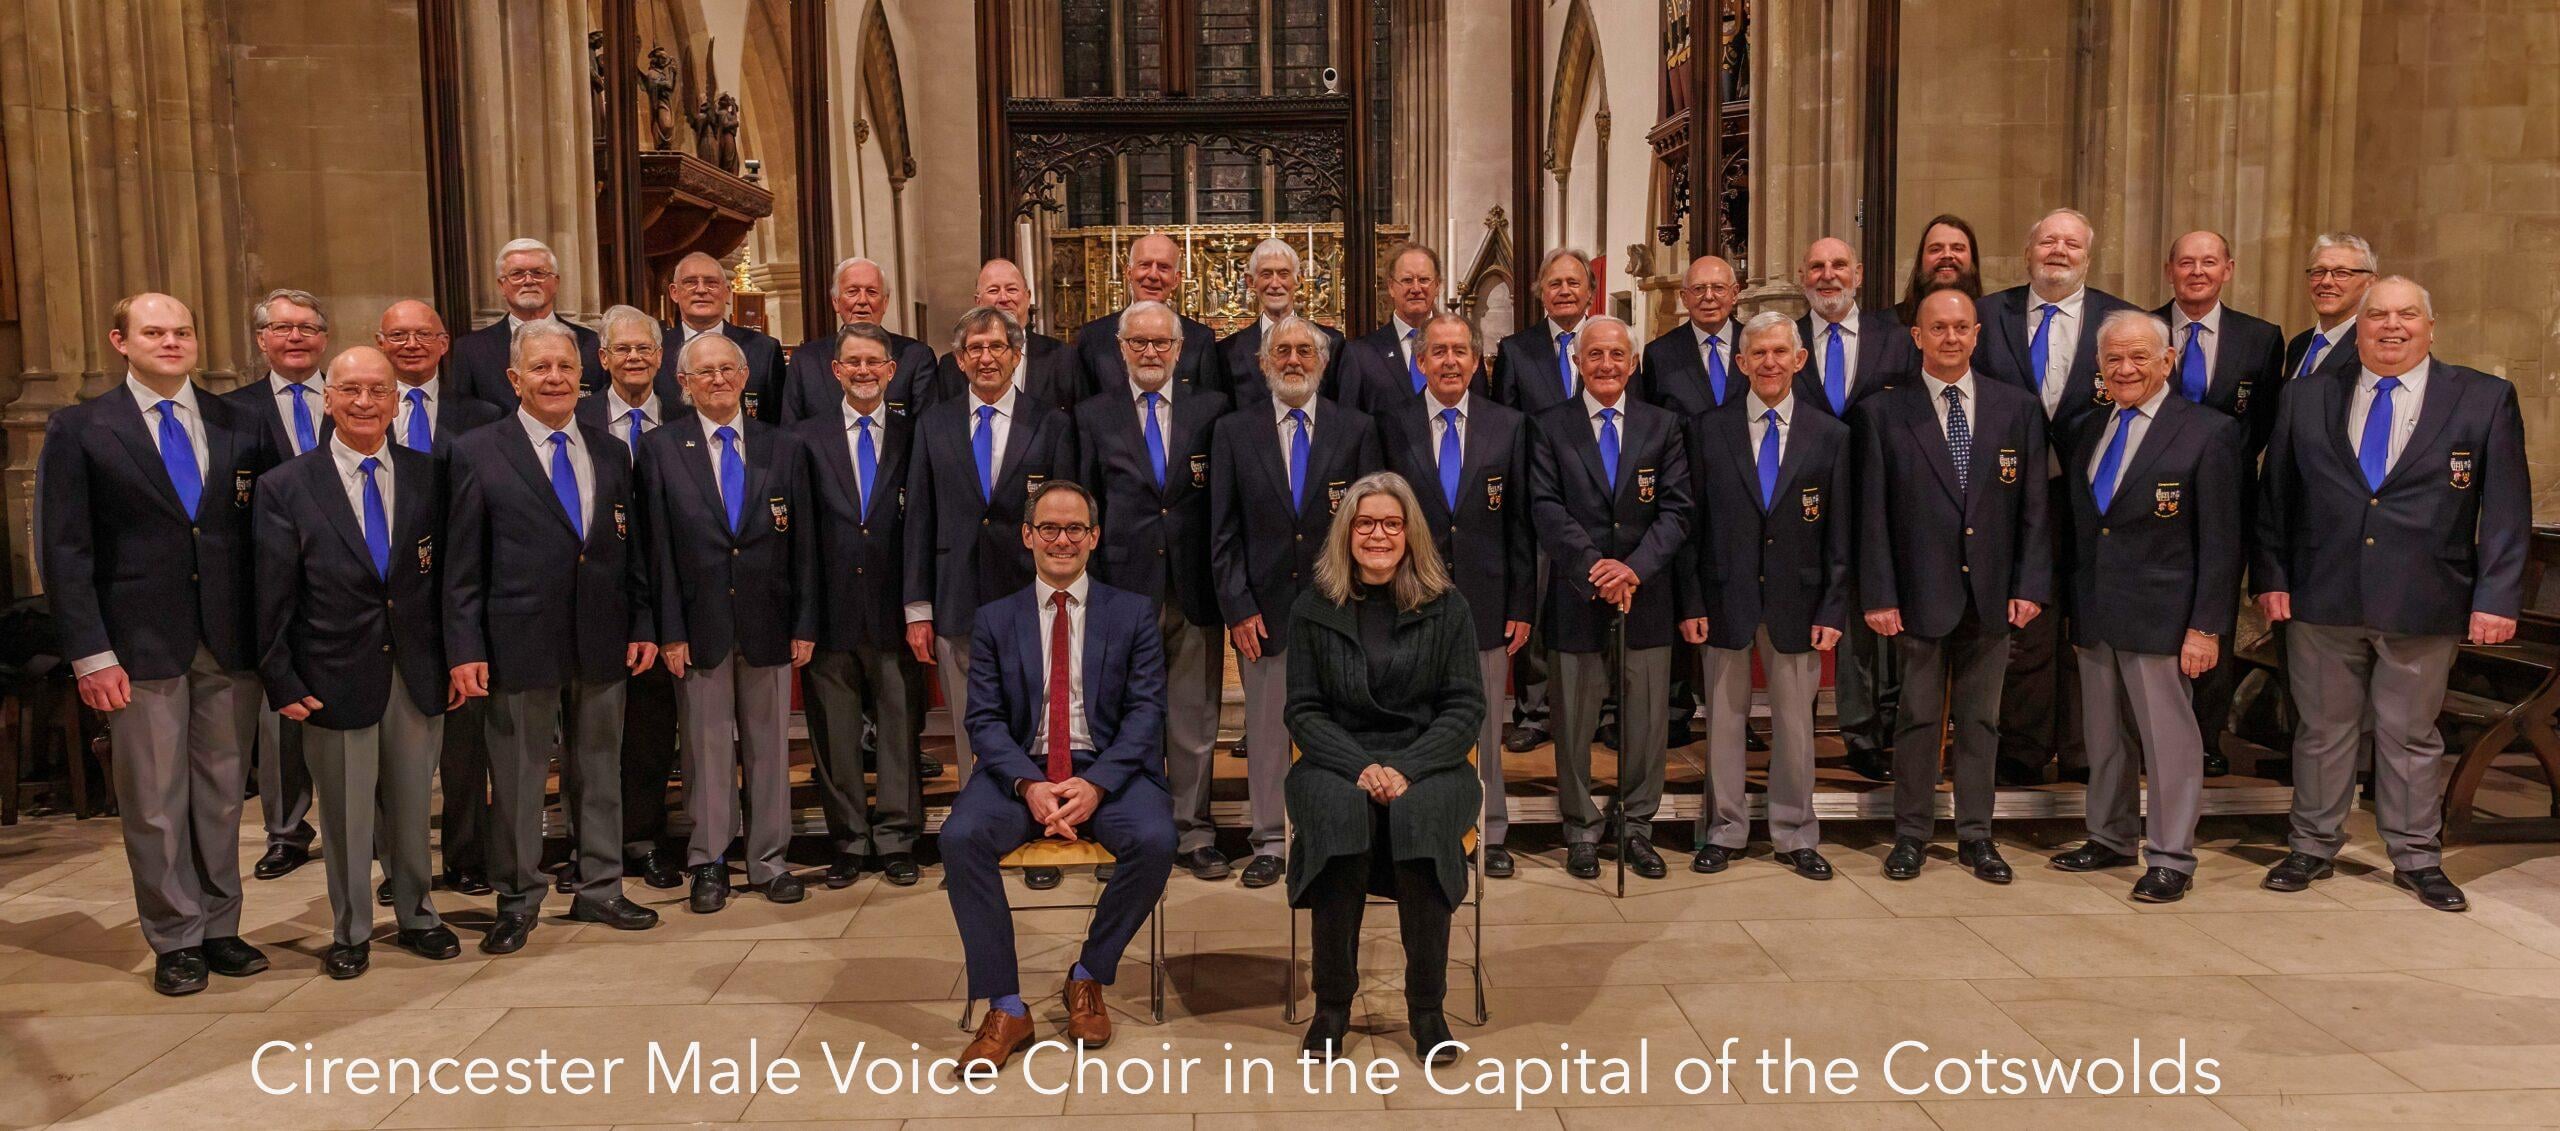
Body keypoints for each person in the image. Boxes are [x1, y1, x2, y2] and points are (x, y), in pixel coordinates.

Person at [2254, 276, 2529, 912]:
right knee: (2322, 731)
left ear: (2431, 327)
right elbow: (2275, 500)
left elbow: (2507, 507)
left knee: (2410, 734)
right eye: (2378, 315)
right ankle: (2312, 846)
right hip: (2322, 594)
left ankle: (2416, 857)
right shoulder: (2306, 396)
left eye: (2407, 314)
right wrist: (2271, 577)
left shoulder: (2482, 397)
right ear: (2359, 327)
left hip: (2425, 597)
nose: (2392, 326)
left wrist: (2497, 597)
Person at [40, 292, 278, 995]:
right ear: (121, 341)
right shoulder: (83, 427)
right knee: (152, 801)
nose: (171, 342)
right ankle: (176, 936)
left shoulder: (240, 422)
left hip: (228, 639)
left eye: (182, 331)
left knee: (222, 796)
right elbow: (65, 550)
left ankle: (220, 925)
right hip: (136, 644)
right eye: (154, 332)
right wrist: (90, 652)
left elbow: (263, 534)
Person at [444, 319, 662, 953]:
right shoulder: (477, 451)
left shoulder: (611, 451)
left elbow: (628, 548)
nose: (555, 378)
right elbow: (461, 565)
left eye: (565, 367)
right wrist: (466, 646)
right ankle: (518, 897)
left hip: (602, 635)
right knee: (518, 778)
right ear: (515, 379)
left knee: (599, 769)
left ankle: (600, 887)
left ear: (583, 375)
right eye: (540, 368)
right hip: (517, 640)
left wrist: (642, 621)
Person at [946, 481, 1172, 1074]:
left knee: (1156, 840)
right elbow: (984, 719)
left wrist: (1097, 784)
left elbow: (1146, 712)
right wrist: (1030, 785)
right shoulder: (995, 619)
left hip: (1109, 769)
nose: (1062, 540)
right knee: (960, 837)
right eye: (1049, 528)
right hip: (1023, 771)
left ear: (1094, 537)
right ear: (1028, 536)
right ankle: (1006, 1006)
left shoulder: (1133, 612)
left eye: (1075, 529)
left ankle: (1089, 974)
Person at [252, 346, 461, 977]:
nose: (364, 402)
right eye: (350, 390)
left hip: (416, 671)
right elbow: (271, 593)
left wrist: (457, 659)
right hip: (331, 672)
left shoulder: (431, 475)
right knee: (344, 815)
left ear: (397, 402)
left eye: (378, 390)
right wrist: (281, 676)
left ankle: (419, 914)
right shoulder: (286, 485)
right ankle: (351, 930)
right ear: (328, 399)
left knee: (412, 805)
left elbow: (450, 580)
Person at [1285, 471, 1483, 1067]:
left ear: (1409, 532)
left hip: (1430, 761)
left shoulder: (1448, 606)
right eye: (1365, 523)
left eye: (1391, 524)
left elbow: (1464, 707)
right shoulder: (1313, 607)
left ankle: (1427, 1008)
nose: (1378, 535)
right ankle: (1331, 1006)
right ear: (1346, 533)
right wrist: (1362, 766)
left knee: (1420, 820)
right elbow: (1303, 710)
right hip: (1335, 761)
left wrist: (1407, 767)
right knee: (1339, 819)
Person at [1858, 288, 2050, 884]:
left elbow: (2034, 509)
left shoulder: (2016, 408)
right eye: (1938, 327)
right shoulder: (1883, 412)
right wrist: (1879, 593)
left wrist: (2029, 584)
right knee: (1917, 718)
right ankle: (1911, 835)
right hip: (1918, 593)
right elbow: (1872, 515)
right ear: (1917, 336)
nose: (1951, 337)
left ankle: (1976, 836)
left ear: (1976, 334)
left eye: (1961, 327)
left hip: (1991, 593)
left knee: (1981, 722)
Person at [2050, 312, 2243, 903]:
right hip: (2096, 611)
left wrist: (2206, 627)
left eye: (2139, 357)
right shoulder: (2087, 428)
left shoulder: (2208, 432)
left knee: (2169, 744)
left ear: (2168, 361)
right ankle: (2109, 836)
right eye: (2113, 359)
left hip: (2165, 617)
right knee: (2104, 738)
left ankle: (2170, 856)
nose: (2125, 369)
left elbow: (2222, 541)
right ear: (2098, 367)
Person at [641, 332, 818, 912]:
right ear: (683, 384)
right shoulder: (661, 448)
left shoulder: (783, 446)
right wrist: (670, 630)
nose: (717, 379)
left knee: (769, 748)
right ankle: (709, 861)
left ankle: (769, 860)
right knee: (706, 747)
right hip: (699, 624)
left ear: (745, 378)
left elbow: (805, 545)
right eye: (704, 372)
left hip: (771, 619)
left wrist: (805, 622)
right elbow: (657, 550)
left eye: (727, 370)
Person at [1675, 312, 1851, 880]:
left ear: (1800, 360)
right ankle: (1724, 830)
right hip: (1724, 597)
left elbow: (1841, 533)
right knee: (1723, 723)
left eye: (1780, 352)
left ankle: (1795, 832)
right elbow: (1691, 527)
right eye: (1759, 353)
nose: (1769, 362)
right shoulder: (1708, 430)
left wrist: (1833, 606)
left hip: (1800, 601)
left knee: (1795, 726)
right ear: (1741, 362)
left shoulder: (1830, 434)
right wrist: (1692, 601)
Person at [1211, 316, 1383, 889]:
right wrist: (1238, 607)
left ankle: (1333, 835)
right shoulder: (1234, 431)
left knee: (1341, 729)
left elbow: (1373, 525)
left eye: (1304, 351)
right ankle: (1269, 840)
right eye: (1281, 351)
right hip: (1264, 612)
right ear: (1263, 363)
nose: (1292, 360)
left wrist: (1365, 601)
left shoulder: (1356, 429)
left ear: (1322, 362)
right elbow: (1223, 531)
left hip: (1341, 608)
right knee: (1265, 733)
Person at [1973, 208, 2136, 786]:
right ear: (2028, 252)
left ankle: (2083, 748)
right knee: (2025, 623)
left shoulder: (2123, 320)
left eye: (2071, 244)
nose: (2058, 251)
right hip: (2007, 498)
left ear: (2088, 257)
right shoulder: (1987, 315)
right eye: (2048, 241)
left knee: (2088, 621)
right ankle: (2022, 747)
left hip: (2096, 497)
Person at [1075, 300, 1235, 881]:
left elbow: (1224, 502)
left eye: (1161, 343)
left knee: (1193, 722)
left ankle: (1193, 832)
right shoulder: (1093, 415)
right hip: (1120, 590)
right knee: (1124, 721)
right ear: (1121, 349)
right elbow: (1084, 505)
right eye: (1138, 342)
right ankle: (1131, 831)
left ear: (1179, 349)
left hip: (1193, 587)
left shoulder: (1212, 410)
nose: (1150, 352)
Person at [1526, 314, 1691, 880]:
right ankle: (1580, 827)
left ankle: (1637, 825)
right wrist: (1596, 568)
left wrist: (1634, 569)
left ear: (1633, 361)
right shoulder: (1549, 426)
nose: (1606, 364)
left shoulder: (1663, 425)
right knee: (1573, 721)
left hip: (1645, 596)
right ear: (1577, 362)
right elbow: (1545, 507)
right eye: (1594, 354)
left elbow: (1677, 509)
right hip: (1577, 595)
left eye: (1617, 354)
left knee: (1646, 722)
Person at [1373, 314, 1532, 879]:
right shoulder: (1389, 424)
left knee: (1483, 722)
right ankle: (1424, 828)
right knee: (1416, 723)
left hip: (1486, 599)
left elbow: (1520, 524)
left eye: (1460, 351)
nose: (1449, 361)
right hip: (1409, 599)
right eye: (1438, 351)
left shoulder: (1508, 425)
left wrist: (1521, 604)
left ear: (1476, 361)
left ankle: (1489, 829)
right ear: (1420, 362)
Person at [904, 307, 1079, 804]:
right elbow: (919, 518)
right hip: (956, 595)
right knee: (968, 722)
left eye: (997, 347)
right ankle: (978, 816)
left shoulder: (1051, 423)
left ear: (1016, 355)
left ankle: (1036, 815)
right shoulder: (933, 424)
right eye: (975, 349)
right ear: (959, 360)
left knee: (1034, 719)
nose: (986, 358)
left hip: (1031, 594)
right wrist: (918, 607)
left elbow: (1068, 520)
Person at [794, 325, 929, 888]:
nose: (864, 371)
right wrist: (802, 618)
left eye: (874, 361)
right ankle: (849, 840)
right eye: (853, 362)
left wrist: (919, 606)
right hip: (829, 611)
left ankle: (897, 838)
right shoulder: (805, 437)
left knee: (899, 729)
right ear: (836, 370)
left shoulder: (915, 434)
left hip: (895, 609)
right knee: (835, 734)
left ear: (891, 370)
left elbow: (922, 525)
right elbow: (799, 534)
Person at [377, 300, 501, 897]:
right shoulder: (360, 411)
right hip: (386, 594)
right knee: (390, 745)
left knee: (465, 739)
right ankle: (399, 866)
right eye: (398, 335)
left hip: (464, 588)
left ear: (445, 343)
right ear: (380, 343)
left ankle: (467, 855)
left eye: (423, 335)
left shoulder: (481, 415)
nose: (411, 345)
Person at [2153, 230, 2288, 777]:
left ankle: (2206, 739)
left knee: (2215, 617)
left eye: (2209, 262)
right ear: (2169, 270)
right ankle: (2152, 734)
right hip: (2151, 498)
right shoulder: (2141, 326)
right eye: (2186, 262)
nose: (2197, 272)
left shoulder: (2261, 338)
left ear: (2228, 269)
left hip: (2227, 498)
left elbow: (2266, 421)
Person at [578, 305, 692, 891]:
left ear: (661, 356)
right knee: (588, 735)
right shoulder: (575, 418)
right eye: (622, 349)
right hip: (592, 596)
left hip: (667, 593)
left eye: (644, 348)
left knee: (650, 728)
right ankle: (590, 847)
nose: (634, 358)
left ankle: (644, 840)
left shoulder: (686, 416)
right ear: (603, 358)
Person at [1796, 236, 1918, 784]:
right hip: (1802, 499)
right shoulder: (1784, 340)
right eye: (1817, 267)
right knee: (1812, 616)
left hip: (1880, 497)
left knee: (1875, 615)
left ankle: (1874, 731)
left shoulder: (1897, 340)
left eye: (1839, 265)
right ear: (1803, 277)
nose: (1828, 275)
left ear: (1859, 274)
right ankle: (1812, 731)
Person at [225, 288, 333, 882]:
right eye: (283, 328)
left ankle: (364, 824)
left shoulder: (355, 395)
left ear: (324, 338)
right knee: (279, 714)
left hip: (345, 582)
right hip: (270, 581)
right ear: (261, 339)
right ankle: (287, 831)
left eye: (308, 327)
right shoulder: (231, 412)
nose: (296, 337)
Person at [1490, 246, 1597, 754]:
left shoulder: (1610, 341)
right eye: (1555, 283)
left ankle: (1602, 709)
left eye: (1574, 282)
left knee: (1595, 601)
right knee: (1534, 603)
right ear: (1540, 293)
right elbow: (1505, 425)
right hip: (1537, 497)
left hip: (1600, 500)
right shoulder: (1517, 350)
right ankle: (1533, 712)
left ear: (1590, 291)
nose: (1565, 291)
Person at [447, 237, 606, 409]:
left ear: (556, 282)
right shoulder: (471, 349)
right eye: (517, 274)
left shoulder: (592, 343)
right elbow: (464, 414)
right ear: (501, 285)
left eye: (538, 273)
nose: (529, 281)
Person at [780, 257, 938, 422]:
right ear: (835, 301)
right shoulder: (806, 360)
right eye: (852, 291)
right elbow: (791, 431)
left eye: (872, 292)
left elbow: (928, 430)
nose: (862, 300)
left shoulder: (916, 357)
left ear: (885, 302)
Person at [1337, 242, 1487, 416]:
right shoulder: (1360, 354)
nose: (1416, 289)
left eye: (1424, 280)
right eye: (1407, 280)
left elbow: (1482, 411)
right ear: (1391, 287)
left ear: (1437, 286)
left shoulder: (1465, 344)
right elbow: (1350, 421)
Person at [1071, 233, 1228, 395]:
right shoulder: (1093, 337)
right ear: (1128, 273)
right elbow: (1085, 405)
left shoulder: (1200, 338)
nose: (1153, 275)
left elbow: (1210, 403)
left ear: (1176, 279)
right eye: (1144, 265)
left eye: (1163, 267)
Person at [933, 258, 1085, 407]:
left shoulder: (1064, 358)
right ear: (978, 302)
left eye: (1012, 289)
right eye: (993, 290)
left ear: (1028, 297)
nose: (1004, 298)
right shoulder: (950, 366)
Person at [660, 250, 785, 422]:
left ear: (727, 292)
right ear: (674, 292)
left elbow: (776, 421)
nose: (701, 290)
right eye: (690, 282)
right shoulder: (656, 350)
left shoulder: (764, 349)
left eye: (711, 283)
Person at [1220, 238, 1347, 403]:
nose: (1275, 284)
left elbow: (1340, 410)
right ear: (1251, 281)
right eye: (1266, 274)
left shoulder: (1332, 343)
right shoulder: (1228, 350)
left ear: (1298, 280)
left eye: (1283, 274)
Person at [1639, 255, 1745, 416]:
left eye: (1718, 288)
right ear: (1684, 298)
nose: (1709, 296)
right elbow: (1652, 420)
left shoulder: (1758, 345)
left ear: (1735, 294)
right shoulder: (1659, 353)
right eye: (1699, 289)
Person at [2285, 233, 2376, 385]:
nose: (2326, 281)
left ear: (2370, 282)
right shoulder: (2299, 344)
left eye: (2342, 273)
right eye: (2318, 272)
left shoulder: (2371, 348)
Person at [1892, 214, 1982, 326]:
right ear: (1920, 261)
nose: (1947, 255)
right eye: (1935, 249)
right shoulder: (1883, 328)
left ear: (1972, 260)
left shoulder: (1992, 325)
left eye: (1957, 249)